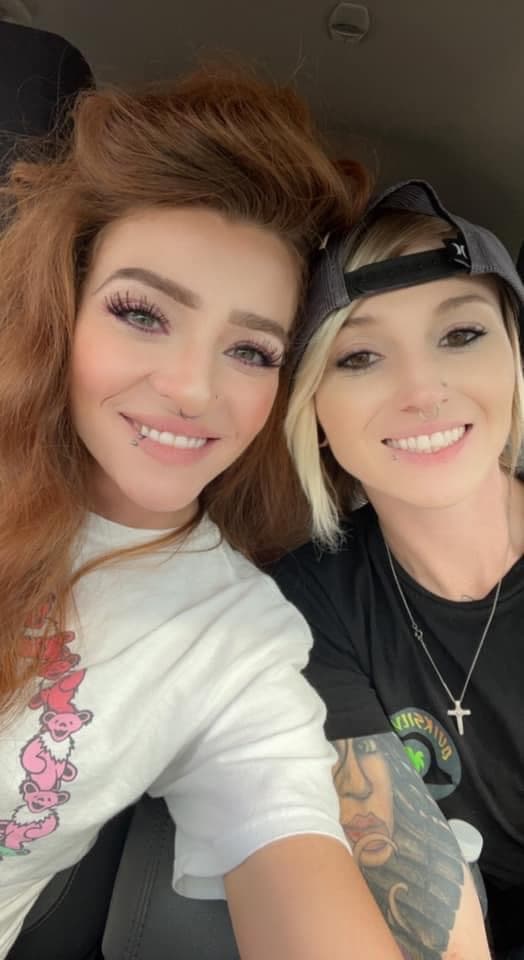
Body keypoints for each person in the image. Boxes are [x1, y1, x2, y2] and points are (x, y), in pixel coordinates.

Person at [0, 65, 406, 960]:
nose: (191, 388)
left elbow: (289, 843)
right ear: (61, 308)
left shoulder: (238, 639)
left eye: (252, 350)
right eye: (142, 313)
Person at [272, 180, 522, 959]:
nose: (423, 392)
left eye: (460, 335)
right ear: (314, 407)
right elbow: (420, 894)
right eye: (361, 355)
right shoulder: (307, 603)